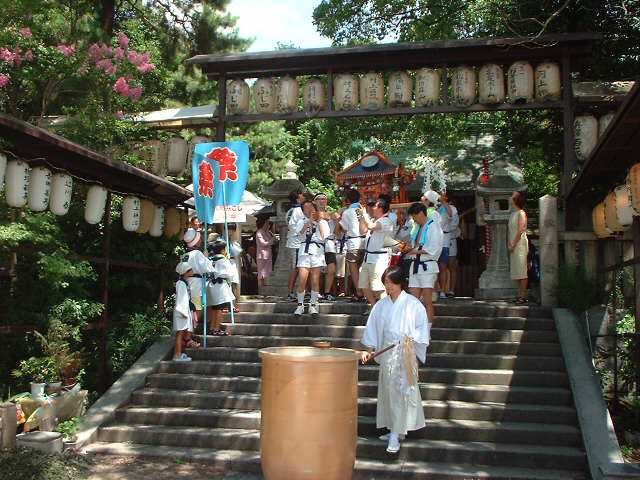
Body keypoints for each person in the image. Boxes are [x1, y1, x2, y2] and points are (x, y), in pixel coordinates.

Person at [360, 266, 430, 454]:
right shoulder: (381, 305)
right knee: (389, 392)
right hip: (387, 352)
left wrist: (411, 339)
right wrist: (369, 348)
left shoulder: (413, 304)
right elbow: (373, 328)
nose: (387, 286)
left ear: (400, 283)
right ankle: (394, 428)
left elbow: (422, 328)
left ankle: (395, 433)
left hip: (405, 353)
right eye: (385, 283)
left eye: (390, 283)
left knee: (401, 392)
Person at [405, 201, 443, 322]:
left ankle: (427, 330)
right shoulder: (418, 228)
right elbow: (415, 246)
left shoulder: (433, 226)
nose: (414, 219)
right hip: (415, 265)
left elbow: (434, 248)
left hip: (427, 266)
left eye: (415, 216)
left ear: (421, 213)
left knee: (427, 301)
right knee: (413, 301)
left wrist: (414, 251)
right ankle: (413, 329)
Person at [358, 198, 395, 315]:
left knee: (378, 287)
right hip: (368, 258)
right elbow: (362, 231)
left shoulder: (386, 221)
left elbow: (371, 227)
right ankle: (375, 307)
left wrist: (365, 215)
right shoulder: (374, 220)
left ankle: (386, 310)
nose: (372, 208)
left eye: (375, 206)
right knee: (364, 285)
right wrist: (361, 218)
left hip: (379, 259)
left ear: (380, 208)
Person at [292, 201, 329, 315]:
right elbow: (300, 233)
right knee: (302, 279)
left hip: (317, 252)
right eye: (305, 208)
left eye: (310, 207)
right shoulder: (301, 221)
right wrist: (308, 222)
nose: (308, 210)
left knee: (315, 280)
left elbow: (324, 236)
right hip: (304, 251)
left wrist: (318, 222)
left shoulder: (322, 222)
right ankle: (300, 305)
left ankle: (313, 305)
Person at [181, 228, 214, 338]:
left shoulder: (185, 255)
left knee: (191, 309)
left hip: (186, 284)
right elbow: (208, 268)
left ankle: (188, 334)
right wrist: (206, 257)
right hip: (196, 285)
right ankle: (188, 336)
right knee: (197, 309)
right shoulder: (197, 254)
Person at [339, 189, 367, 302]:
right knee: (362, 269)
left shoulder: (347, 212)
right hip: (365, 242)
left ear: (348, 200)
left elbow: (344, 228)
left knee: (354, 269)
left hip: (353, 243)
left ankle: (359, 292)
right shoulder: (363, 210)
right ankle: (365, 292)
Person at [206, 240, 236, 335]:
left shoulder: (211, 259)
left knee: (215, 308)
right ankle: (216, 328)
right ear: (223, 250)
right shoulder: (223, 260)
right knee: (219, 309)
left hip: (212, 285)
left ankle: (212, 327)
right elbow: (230, 274)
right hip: (220, 286)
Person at [314, 193, 338, 301]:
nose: (322, 201)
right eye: (320, 199)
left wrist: (336, 218)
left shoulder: (330, 213)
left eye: (324, 199)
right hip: (318, 244)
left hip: (330, 244)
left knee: (331, 269)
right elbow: (322, 216)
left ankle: (327, 292)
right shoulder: (313, 213)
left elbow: (338, 225)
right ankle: (316, 292)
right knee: (317, 270)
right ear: (315, 201)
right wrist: (333, 216)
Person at [285, 188, 307, 301]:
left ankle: (294, 292)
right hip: (296, 242)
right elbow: (295, 227)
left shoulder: (291, 210)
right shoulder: (298, 211)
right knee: (296, 268)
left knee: (297, 268)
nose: (304, 196)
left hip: (293, 241)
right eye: (303, 195)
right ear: (298, 197)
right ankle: (290, 292)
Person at [173, 262, 196, 362]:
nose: (192, 271)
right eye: (190, 270)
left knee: (181, 333)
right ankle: (177, 355)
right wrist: (183, 312)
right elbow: (181, 299)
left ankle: (179, 353)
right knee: (179, 334)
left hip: (183, 311)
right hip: (181, 312)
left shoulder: (183, 282)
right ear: (186, 272)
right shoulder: (181, 283)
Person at [509, 191, 529, 304]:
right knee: (517, 270)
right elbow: (511, 230)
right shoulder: (513, 213)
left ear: (516, 199)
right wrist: (509, 243)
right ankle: (519, 294)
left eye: (512, 196)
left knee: (522, 270)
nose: (510, 197)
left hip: (520, 244)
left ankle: (523, 295)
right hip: (513, 243)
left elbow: (521, 230)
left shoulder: (521, 213)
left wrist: (514, 244)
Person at [445, 200, 460, 298]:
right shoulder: (436, 209)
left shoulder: (453, 210)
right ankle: (442, 289)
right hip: (439, 239)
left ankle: (451, 290)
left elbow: (454, 225)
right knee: (441, 266)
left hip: (451, 239)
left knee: (452, 265)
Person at [256, 218, 276, 288]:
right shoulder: (259, 232)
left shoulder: (267, 232)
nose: (268, 224)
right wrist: (271, 241)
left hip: (268, 254)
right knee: (261, 271)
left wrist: (272, 234)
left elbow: (274, 241)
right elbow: (263, 243)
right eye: (267, 223)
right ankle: (260, 286)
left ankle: (265, 284)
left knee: (267, 270)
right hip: (261, 254)